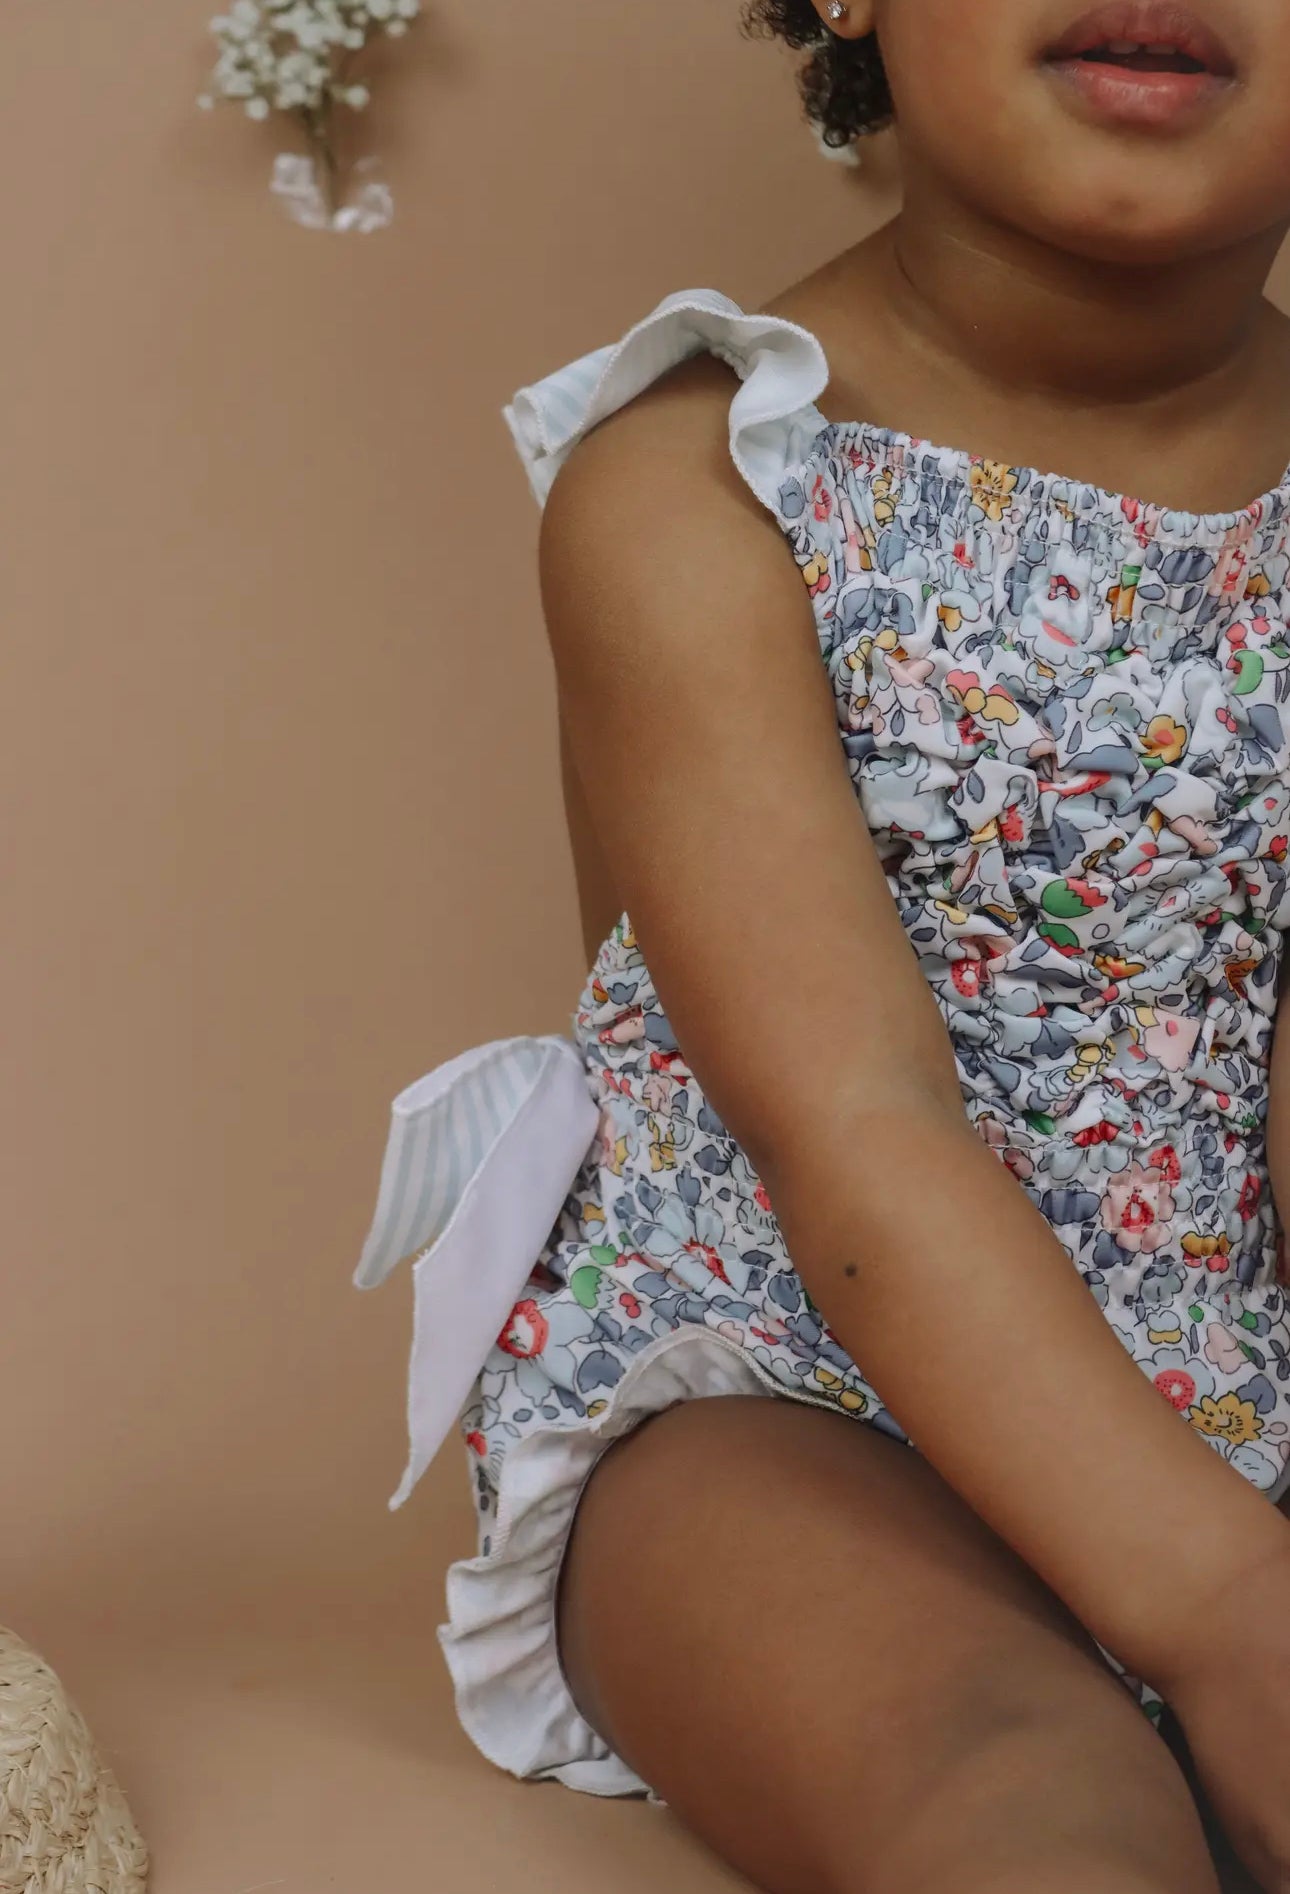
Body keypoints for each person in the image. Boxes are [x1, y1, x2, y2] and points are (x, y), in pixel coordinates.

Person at [353, 3, 1290, 1888]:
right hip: (769, 1372)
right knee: (1029, 1805)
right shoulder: (703, 483)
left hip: (1227, 1341)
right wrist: (1231, 1603)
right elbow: (849, 1124)